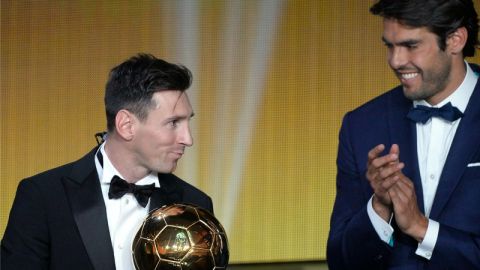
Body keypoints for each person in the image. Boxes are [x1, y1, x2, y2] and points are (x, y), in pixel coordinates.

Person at [1, 53, 213, 270]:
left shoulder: (195, 205)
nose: (188, 139)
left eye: (188, 122)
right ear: (126, 125)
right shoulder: (42, 197)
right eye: (173, 123)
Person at [327, 0, 480, 269]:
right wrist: (379, 209)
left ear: (455, 40)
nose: (396, 61)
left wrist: (423, 229)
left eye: (411, 46)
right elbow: (341, 262)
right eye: (390, 45)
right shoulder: (361, 125)